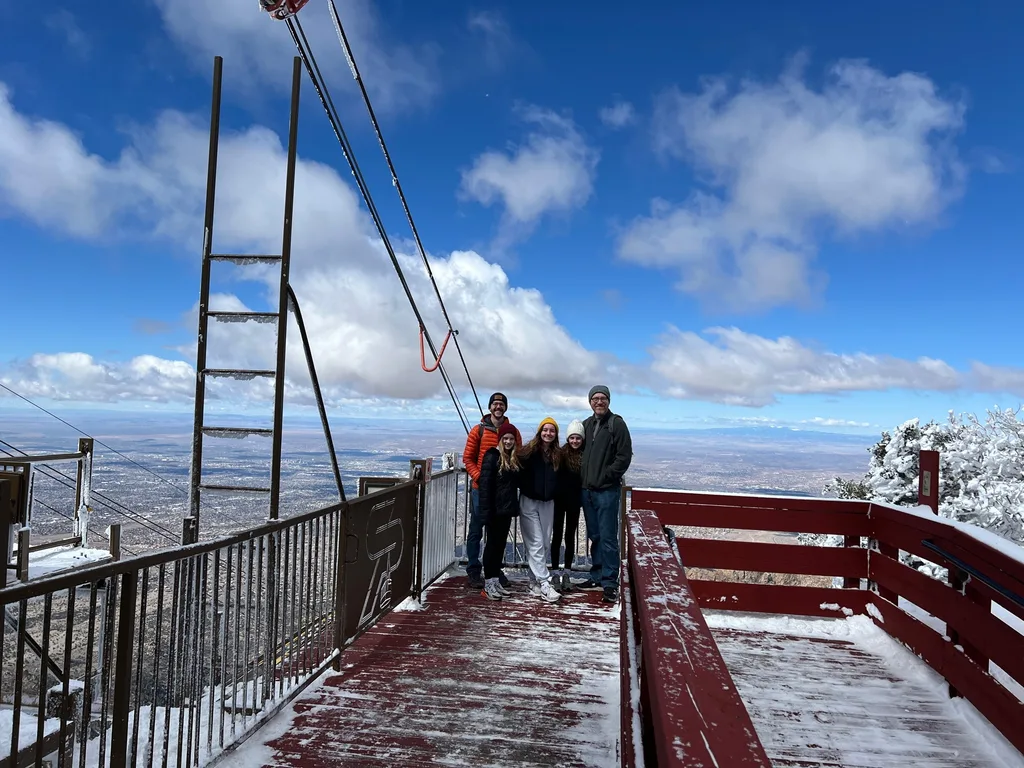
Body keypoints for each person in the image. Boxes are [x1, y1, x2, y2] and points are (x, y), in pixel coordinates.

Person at [462, 393, 523, 589]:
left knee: (496, 533)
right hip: (480, 490)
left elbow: (517, 456)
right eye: (495, 404)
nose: (498, 407)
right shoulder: (478, 430)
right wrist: (481, 478)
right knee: (476, 529)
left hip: (502, 492)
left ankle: (494, 570)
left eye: (501, 404)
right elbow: (468, 458)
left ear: (505, 407)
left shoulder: (512, 431)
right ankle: (473, 569)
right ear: (490, 407)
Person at [578, 385, 632, 603]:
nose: (599, 402)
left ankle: (610, 582)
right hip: (587, 491)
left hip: (607, 490)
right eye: (595, 398)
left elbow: (624, 455)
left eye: (603, 398)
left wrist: (607, 475)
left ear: (608, 401)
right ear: (590, 401)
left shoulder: (616, 424)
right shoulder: (586, 424)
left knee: (608, 537)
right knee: (596, 536)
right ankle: (597, 575)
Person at [517, 417, 562, 603]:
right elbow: (513, 465)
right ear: (539, 431)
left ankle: (533, 581)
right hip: (529, 501)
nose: (548, 433)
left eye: (552, 430)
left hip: (548, 502)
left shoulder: (557, 455)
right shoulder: (528, 451)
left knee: (543, 543)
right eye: (545, 430)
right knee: (535, 542)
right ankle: (545, 583)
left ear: (556, 434)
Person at [477, 422, 522, 601]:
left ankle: (495, 580)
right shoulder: (492, 456)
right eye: (505, 438)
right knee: (492, 546)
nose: (508, 442)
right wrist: (485, 512)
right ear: (500, 439)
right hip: (494, 511)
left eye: (511, 439)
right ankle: (488, 583)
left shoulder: (512, 459)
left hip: (505, 510)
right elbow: (485, 486)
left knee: (500, 546)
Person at [550, 419, 584, 592]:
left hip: (574, 502)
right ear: (567, 438)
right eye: (572, 438)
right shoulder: (560, 454)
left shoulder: (585, 456)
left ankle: (567, 573)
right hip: (559, 500)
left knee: (570, 536)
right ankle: (555, 572)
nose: (575, 441)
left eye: (578, 438)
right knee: (557, 536)